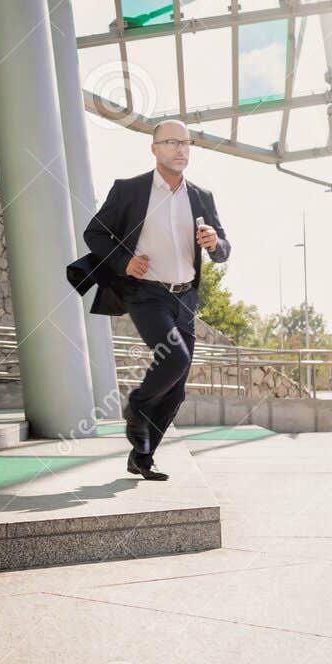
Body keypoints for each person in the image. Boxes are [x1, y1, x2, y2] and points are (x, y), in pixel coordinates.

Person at [70, 121, 231, 480]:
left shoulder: (201, 197)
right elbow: (94, 233)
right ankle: (138, 406)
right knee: (175, 358)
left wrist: (215, 243)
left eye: (186, 142)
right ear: (154, 148)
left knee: (176, 391)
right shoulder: (130, 190)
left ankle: (142, 457)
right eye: (172, 142)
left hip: (185, 297)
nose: (181, 148)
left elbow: (224, 250)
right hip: (146, 293)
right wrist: (124, 261)